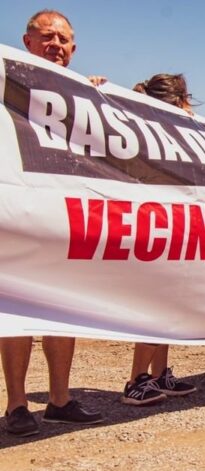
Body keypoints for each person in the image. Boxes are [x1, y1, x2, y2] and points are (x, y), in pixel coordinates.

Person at [1, 9, 104, 437]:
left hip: (65, 222)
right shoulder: (7, 85)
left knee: (62, 312)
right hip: (19, 218)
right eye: (47, 37)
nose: (56, 46)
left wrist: (102, 100)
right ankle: (18, 404)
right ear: (27, 41)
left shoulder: (80, 95)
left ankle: (60, 400)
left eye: (63, 40)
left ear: (73, 49)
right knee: (18, 312)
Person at [120, 74, 199, 405]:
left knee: (167, 305)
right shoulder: (145, 130)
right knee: (154, 306)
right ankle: (137, 379)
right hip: (153, 227)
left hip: (173, 225)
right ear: (179, 99)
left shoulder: (178, 130)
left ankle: (159, 373)